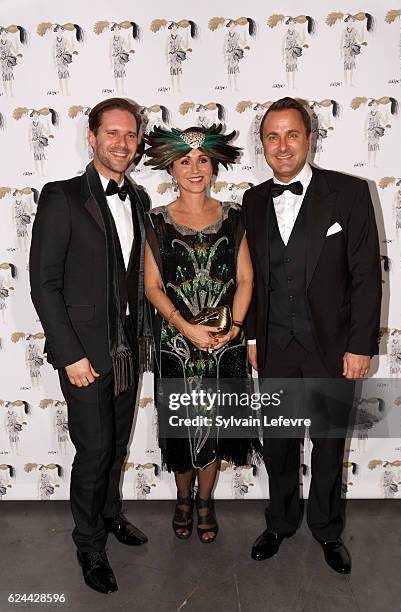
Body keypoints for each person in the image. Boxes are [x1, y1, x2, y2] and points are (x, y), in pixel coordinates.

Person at [242, 97, 381, 574]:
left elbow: (366, 276)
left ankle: (326, 529)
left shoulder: (348, 193)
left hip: (333, 347)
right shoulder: (253, 199)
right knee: (277, 442)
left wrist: (361, 345)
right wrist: (253, 340)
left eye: (292, 134)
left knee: (327, 444)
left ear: (310, 137)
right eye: (272, 137)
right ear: (263, 144)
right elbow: (254, 279)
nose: (282, 146)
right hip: (275, 345)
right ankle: (280, 522)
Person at [29, 97, 151, 594]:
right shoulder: (61, 196)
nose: (122, 144)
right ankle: (88, 542)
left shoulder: (139, 200)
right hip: (83, 352)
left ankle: (111, 515)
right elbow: (44, 284)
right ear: (92, 136)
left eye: (130, 135)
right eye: (113, 134)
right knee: (94, 448)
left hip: (127, 349)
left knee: (117, 444)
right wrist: (70, 354)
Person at [143, 124, 261, 543]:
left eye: (203, 160)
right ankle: (182, 499)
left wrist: (235, 328)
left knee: (214, 426)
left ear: (214, 166)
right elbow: (152, 288)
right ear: (171, 168)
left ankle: (206, 500)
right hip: (177, 344)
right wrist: (186, 328)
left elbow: (246, 280)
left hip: (223, 344)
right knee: (179, 427)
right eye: (185, 161)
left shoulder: (234, 216)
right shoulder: (156, 220)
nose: (194, 168)